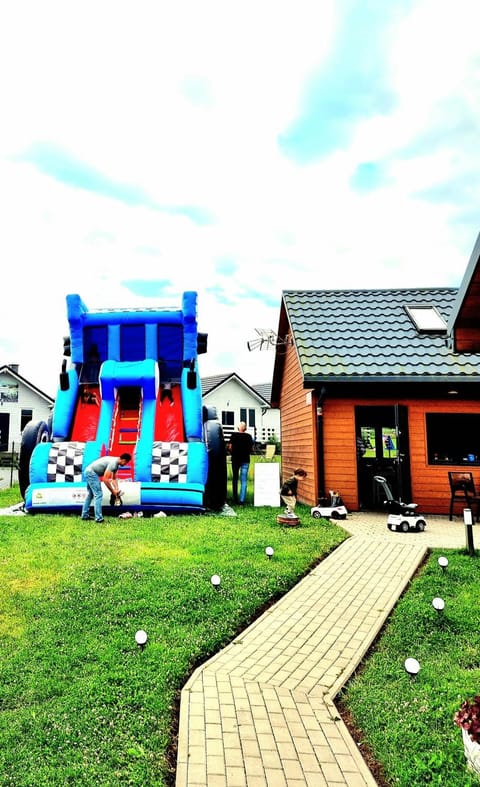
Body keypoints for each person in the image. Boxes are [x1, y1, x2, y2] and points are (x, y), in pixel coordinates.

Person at [81, 453, 131, 523]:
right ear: (123, 459)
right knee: (98, 494)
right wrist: (113, 492)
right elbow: (105, 479)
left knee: (90, 494)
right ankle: (99, 518)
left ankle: (84, 515)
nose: (125, 464)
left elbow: (113, 479)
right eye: (126, 462)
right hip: (91, 473)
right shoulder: (113, 463)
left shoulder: (116, 464)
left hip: (88, 471)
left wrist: (117, 490)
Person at [228, 422, 254, 504]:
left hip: (235, 459)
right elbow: (251, 448)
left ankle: (235, 498)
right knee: (244, 480)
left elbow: (230, 447)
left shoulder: (234, 435)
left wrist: (233, 453)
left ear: (238, 428)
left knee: (235, 478)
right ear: (245, 428)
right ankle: (242, 500)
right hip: (245, 460)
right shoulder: (249, 436)